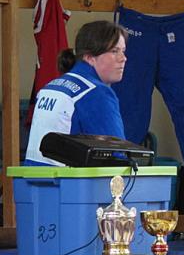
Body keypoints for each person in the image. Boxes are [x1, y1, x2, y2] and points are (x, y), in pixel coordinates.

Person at [24, 20, 128, 166]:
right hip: (70, 185)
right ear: (89, 57)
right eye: (114, 51)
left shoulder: (50, 87)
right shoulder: (96, 93)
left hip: (34, 184)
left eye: (123, 51)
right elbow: (118, 155)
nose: (123, 58)